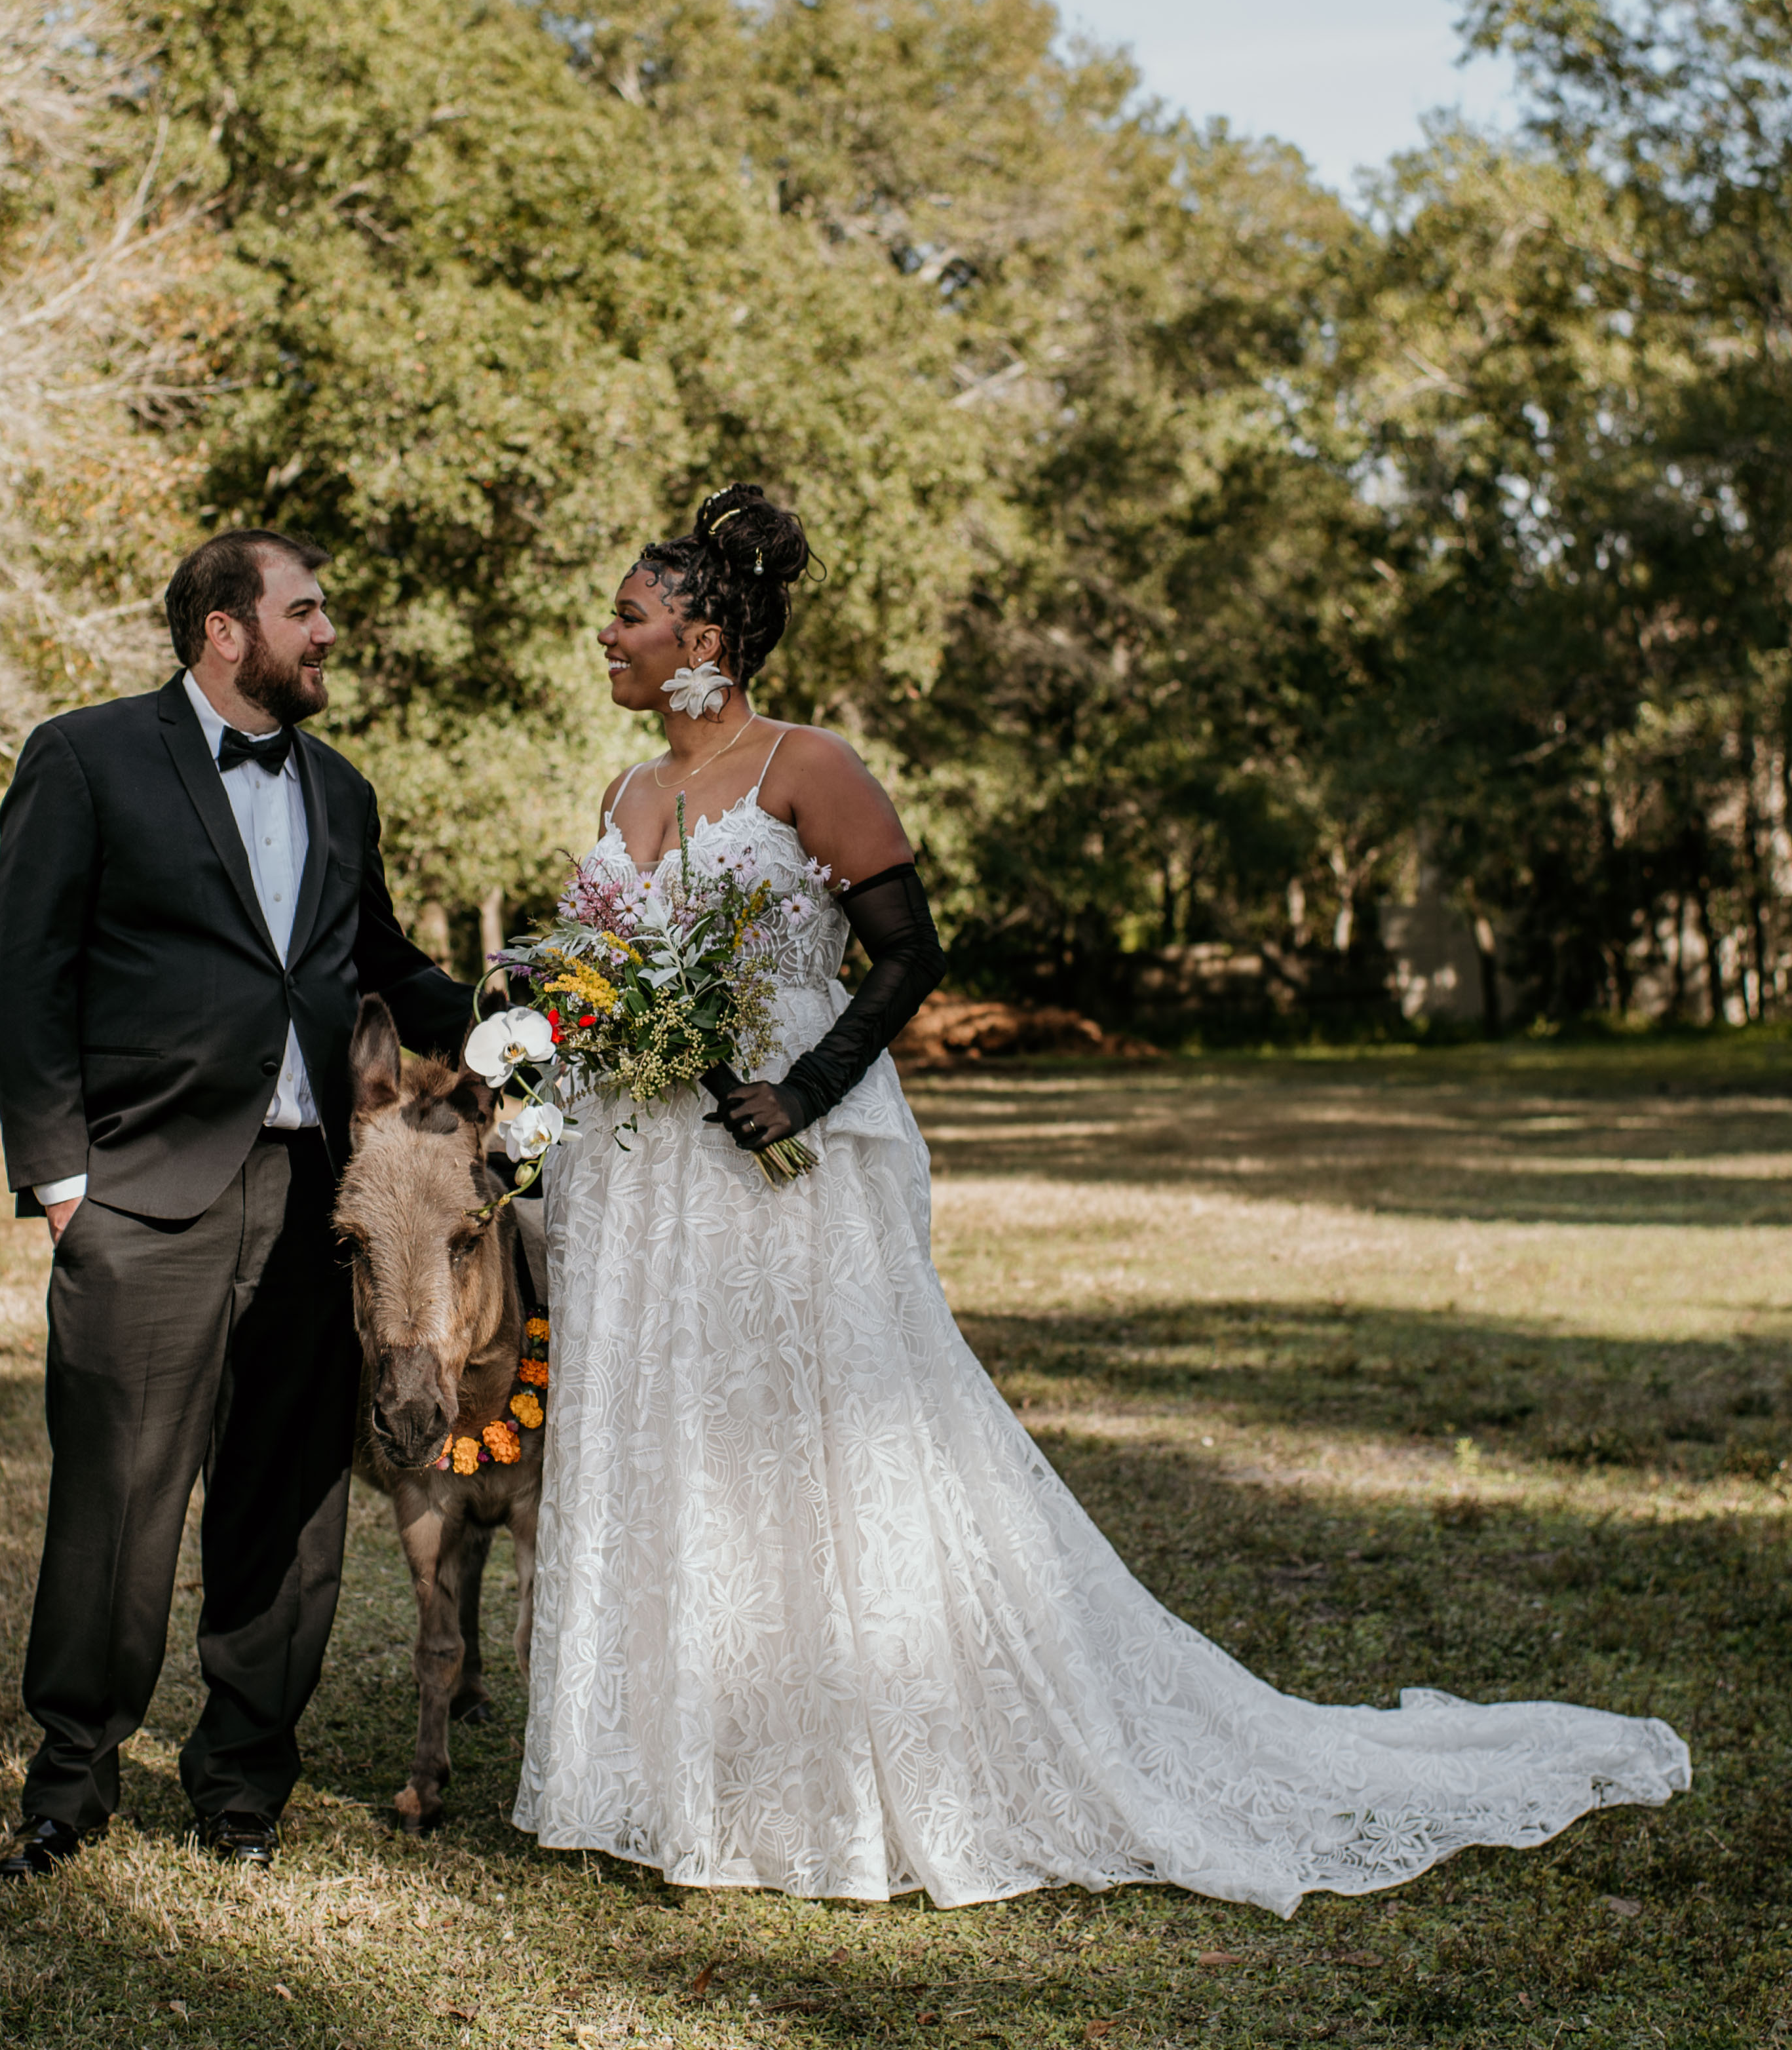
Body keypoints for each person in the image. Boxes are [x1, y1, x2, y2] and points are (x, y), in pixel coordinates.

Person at [510, 485, 1690, 1912]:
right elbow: (601, 968)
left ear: (702, 639)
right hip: (646, 1172)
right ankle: (683, 1771)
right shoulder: (627, 795)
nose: (608, 636)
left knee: (821, 1439)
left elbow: (908, 952)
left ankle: (847, 1768)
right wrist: (564, 1032)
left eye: (628, 617)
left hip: (780, 1157)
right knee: (681, 1440)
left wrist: (804, 1089)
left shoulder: (806, 765)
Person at [0, 529, 471, 1879]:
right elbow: (25, 969)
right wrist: (62, 1182)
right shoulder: (84, 757)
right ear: (224, 628)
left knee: (292, 1502)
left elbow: (377, 958)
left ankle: (244, 1781)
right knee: (117, 1499)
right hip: (142, 1190)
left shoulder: (342, 789)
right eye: (304, 611)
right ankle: (70, 1782)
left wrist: (517, 1016)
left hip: (318, 1203)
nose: (326, 634)